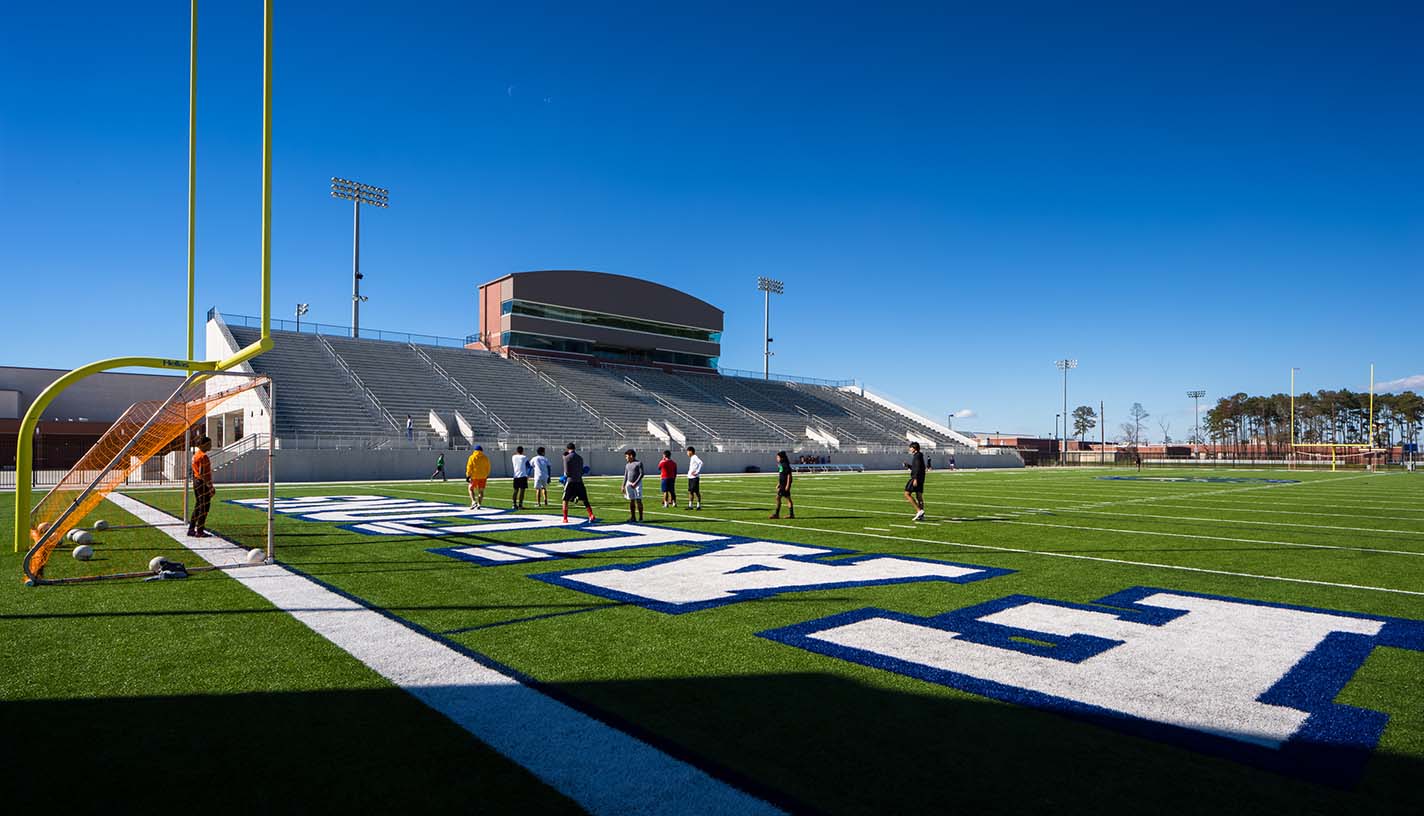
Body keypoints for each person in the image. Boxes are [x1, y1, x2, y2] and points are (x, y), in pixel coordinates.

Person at [187, 435, 215, 537]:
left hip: (196, 481)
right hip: (202, 483)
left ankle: (191, 529)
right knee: (204, 507)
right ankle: (200, 531)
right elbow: (202, 473)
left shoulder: (196, 455)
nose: (210, 446)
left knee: (198, 506)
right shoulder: (203, 456)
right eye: (209, 444)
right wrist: (210, 487)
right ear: (203, 445)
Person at [562, 443, 596, 523]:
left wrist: (565, 478)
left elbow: (567, 472)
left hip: (570, 481)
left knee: (565, 499)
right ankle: (591, 514)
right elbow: (581, 471)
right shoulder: (580, 458)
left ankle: (565, 518)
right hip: (579, 480)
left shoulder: (566, 458)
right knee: (585, 499)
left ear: (567, 449)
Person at [904, 441, 927, 521]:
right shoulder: (919, 456)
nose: (910, 449)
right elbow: (917, 467)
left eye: (910, 448)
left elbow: (917, 468)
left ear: (914, 448)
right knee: (919, 496)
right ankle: (922, 515)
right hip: (920, 478)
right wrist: (909, 466)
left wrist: (915, 479)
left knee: (907, 494)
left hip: (916, 478)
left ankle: (919, 511)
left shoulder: (917, 456)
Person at [770, 450, 795, 519]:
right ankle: (791, 514)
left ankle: (777, 514)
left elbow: (789, 476)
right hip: (782, 484)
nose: (777, 458)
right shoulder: (781, 465)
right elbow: (782, 475)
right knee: (786, 499)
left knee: (779, 498)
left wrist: (788, 485)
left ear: (782, 458)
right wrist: (778, 483)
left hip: (784, 485)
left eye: (778, 457)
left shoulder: (785, 465)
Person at [623, 449, 645, 522]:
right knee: (631, 501)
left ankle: (641, 517)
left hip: (637, 484)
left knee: (638, 500)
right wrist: (623, 485)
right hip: (629, 483)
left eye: (627, 456)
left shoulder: (638, 463)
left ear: (631, 456)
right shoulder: (627, 465)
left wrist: (635, 483)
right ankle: (633, 517)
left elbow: (642, 474)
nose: (626, 458)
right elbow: (626, 475)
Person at [466, 445, 491, 509]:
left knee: (470, 489)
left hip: (474, 476)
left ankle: (473, 502)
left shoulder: (472, 457)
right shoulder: (485, 457)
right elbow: (488, 467)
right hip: (483, 476)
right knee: (481, 491)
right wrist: (487, 474)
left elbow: (469, 467)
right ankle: (479, 504)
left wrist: (468, 475)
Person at [685, 445, 704, 510]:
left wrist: (697, 472)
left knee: (696, 492)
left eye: (687, 452)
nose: (687, 453)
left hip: (694, 478)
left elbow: (701, 463)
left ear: (691, 451)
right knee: (690, 491)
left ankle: (698, 505)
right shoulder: (692, 458)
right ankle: (690, 505)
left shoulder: (694, 457)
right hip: (691, 477)